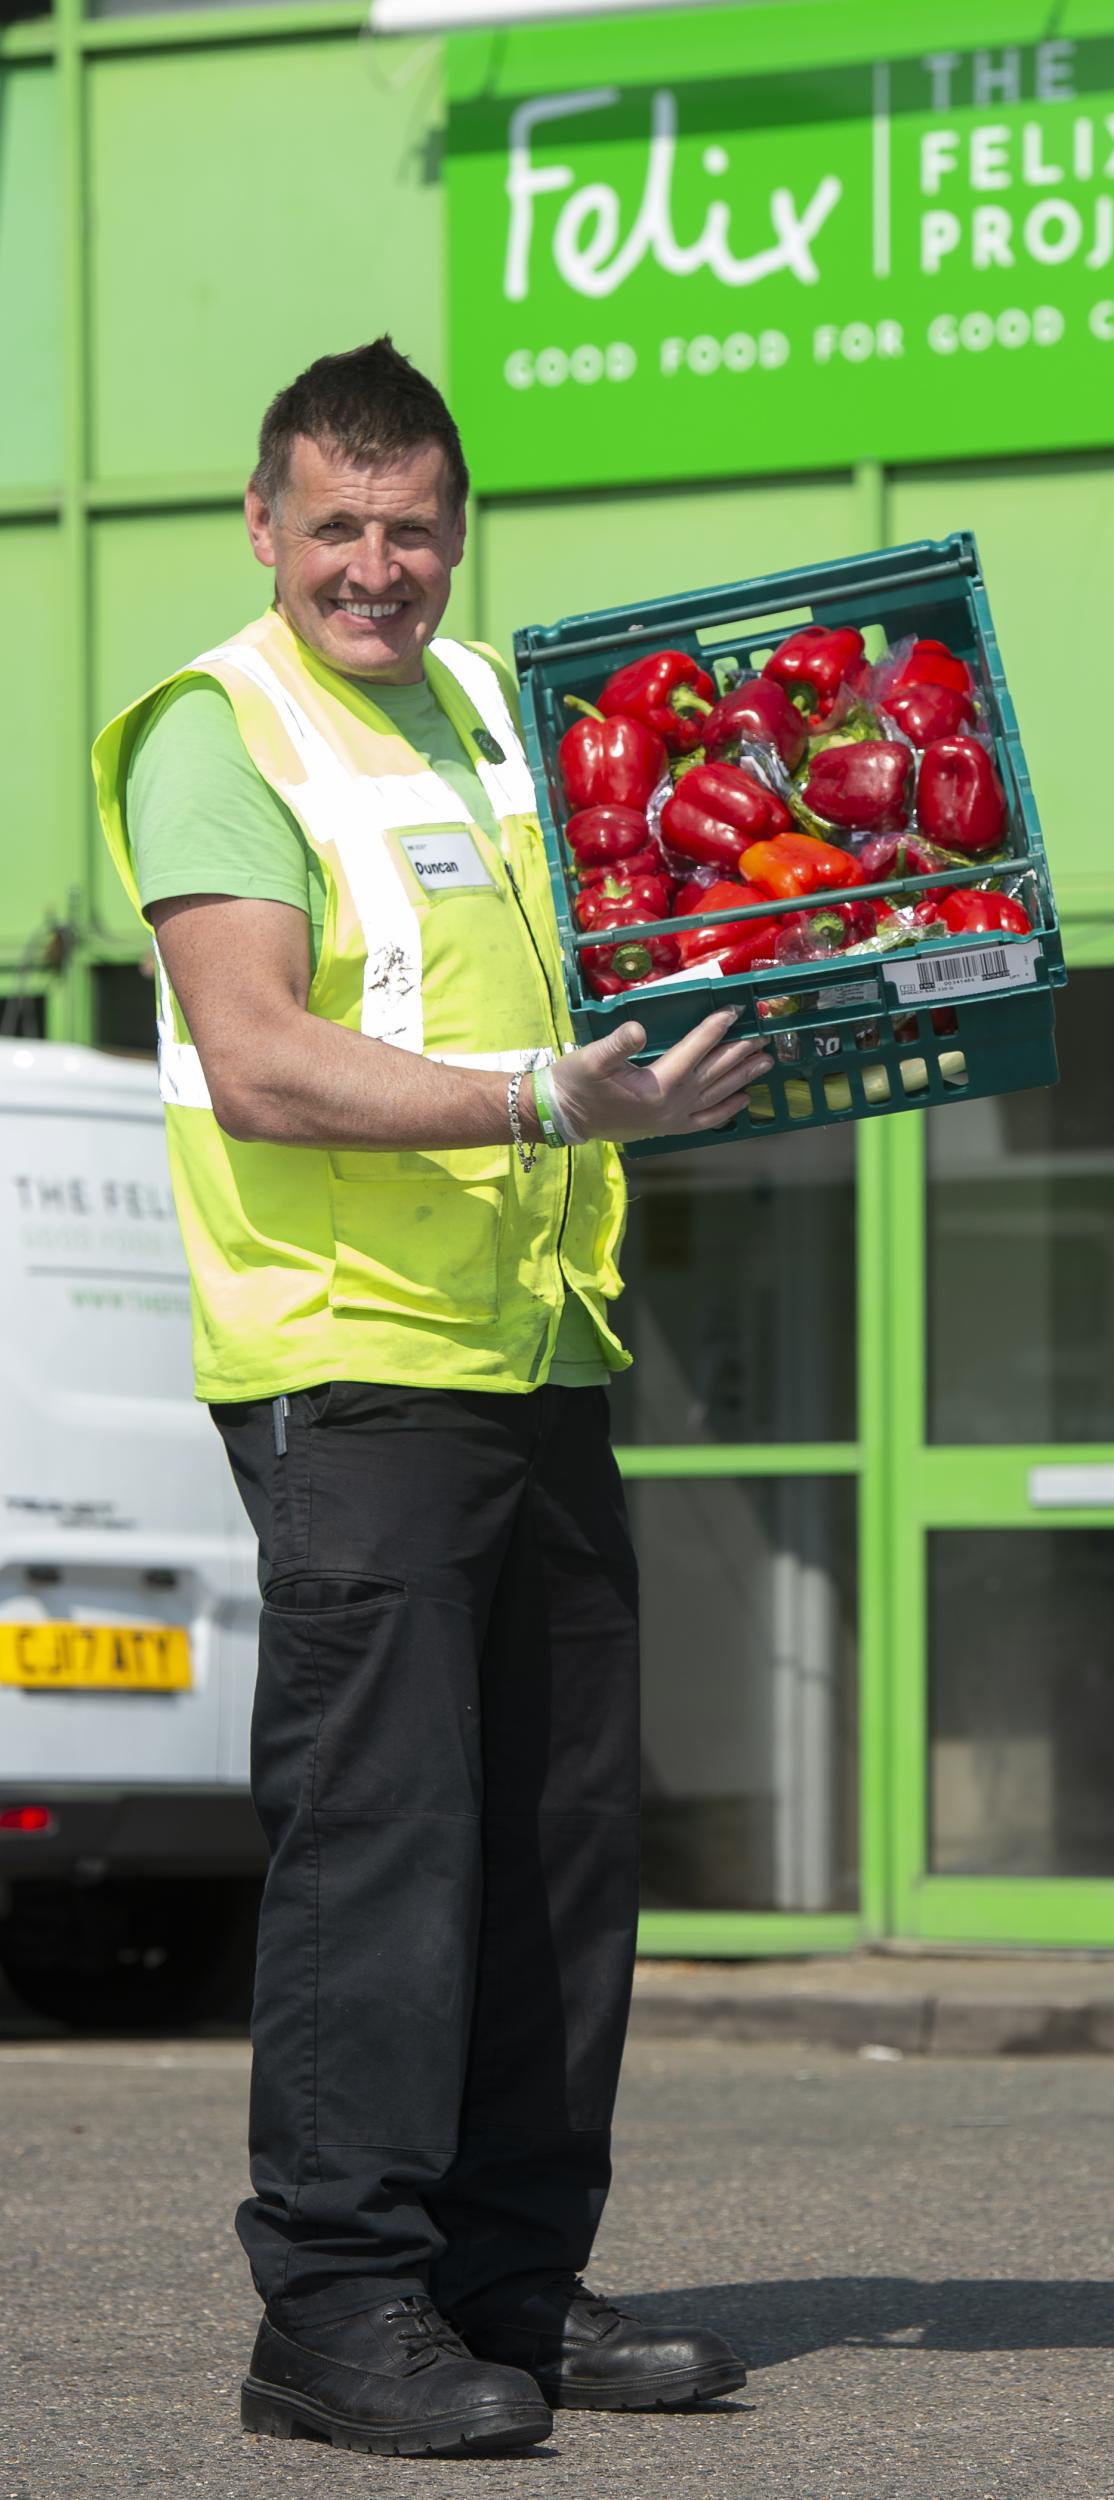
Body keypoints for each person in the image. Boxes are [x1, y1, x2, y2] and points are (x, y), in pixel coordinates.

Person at [91, 337, 767, 2459]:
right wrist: (538, 1095)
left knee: (556, 1857)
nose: (376, 564)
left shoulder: (492, 707)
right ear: (263, 521)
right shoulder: (220, 732)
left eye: (412, 527)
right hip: (350, 1368)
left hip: (540, 1352)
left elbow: (610, 963)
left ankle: (504, 2274)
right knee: (380, 1849)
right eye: (339, 526)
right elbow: (266, 1048)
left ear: (454, 532)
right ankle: (336, 2303)